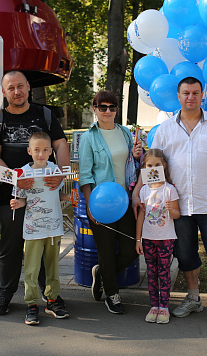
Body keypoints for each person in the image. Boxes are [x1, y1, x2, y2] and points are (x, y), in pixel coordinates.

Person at [133, 76, 207, 328]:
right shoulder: (165, 130)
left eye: (195, 93)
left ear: (202, 95)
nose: (191, 97)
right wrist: (139, 191)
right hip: (177, 207)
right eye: (186, 93)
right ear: (178, 95)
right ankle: (193, 298)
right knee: (185, 255)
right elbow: (151, 164)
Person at [0, 70, 70, 315]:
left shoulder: (45, 114)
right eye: (11, 88)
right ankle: (5, 294)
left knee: (43, 247)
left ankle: (50, 296)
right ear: (4, 92)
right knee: (10, 248)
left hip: (45, 196)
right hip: (10, 198)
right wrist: (16, 181)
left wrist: (61, 174)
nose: (16, 92)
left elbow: (61, 144)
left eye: (20, 86)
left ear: (29, 87)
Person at [78, 90, 143, 314]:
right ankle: (112, 295)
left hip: (125, 199)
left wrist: (136, 155)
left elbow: (133, 165)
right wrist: (89, 205)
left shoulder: (125, 133)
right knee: (105, 250)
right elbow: (85, 175)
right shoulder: (89, 137)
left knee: (131, 249)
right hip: (101, 203)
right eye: (102, 107)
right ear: (94, 109)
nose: (107, 111)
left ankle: (103, 274)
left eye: (112, 107)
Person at [10, 131, 70, 325]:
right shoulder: (22, 172)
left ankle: (52, 300)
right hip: (33, 229)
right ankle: (31, 304)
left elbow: (57, 196)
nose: (41, 154)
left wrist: (68, 199)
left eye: (45, 150)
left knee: (52, 267)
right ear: (29, 151)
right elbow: (21, 199)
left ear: (51, 151)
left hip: (53, 227)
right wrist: (17, 204)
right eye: (37, 150)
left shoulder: (55, 171)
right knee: (32, 268)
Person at [135, 149, 180, 324]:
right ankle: (154, 306)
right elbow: (140, 217)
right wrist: (138, 239)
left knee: (164, 273)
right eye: (149, 165)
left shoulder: (170, 190)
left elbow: (177, 214)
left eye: (157, 165)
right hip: (148, 239)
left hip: (166, 238)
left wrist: (171, 209)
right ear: (145, 168)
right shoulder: (144, 190)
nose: (153, 168)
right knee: (151, 273)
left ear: (164, 166)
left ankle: (164, 307)